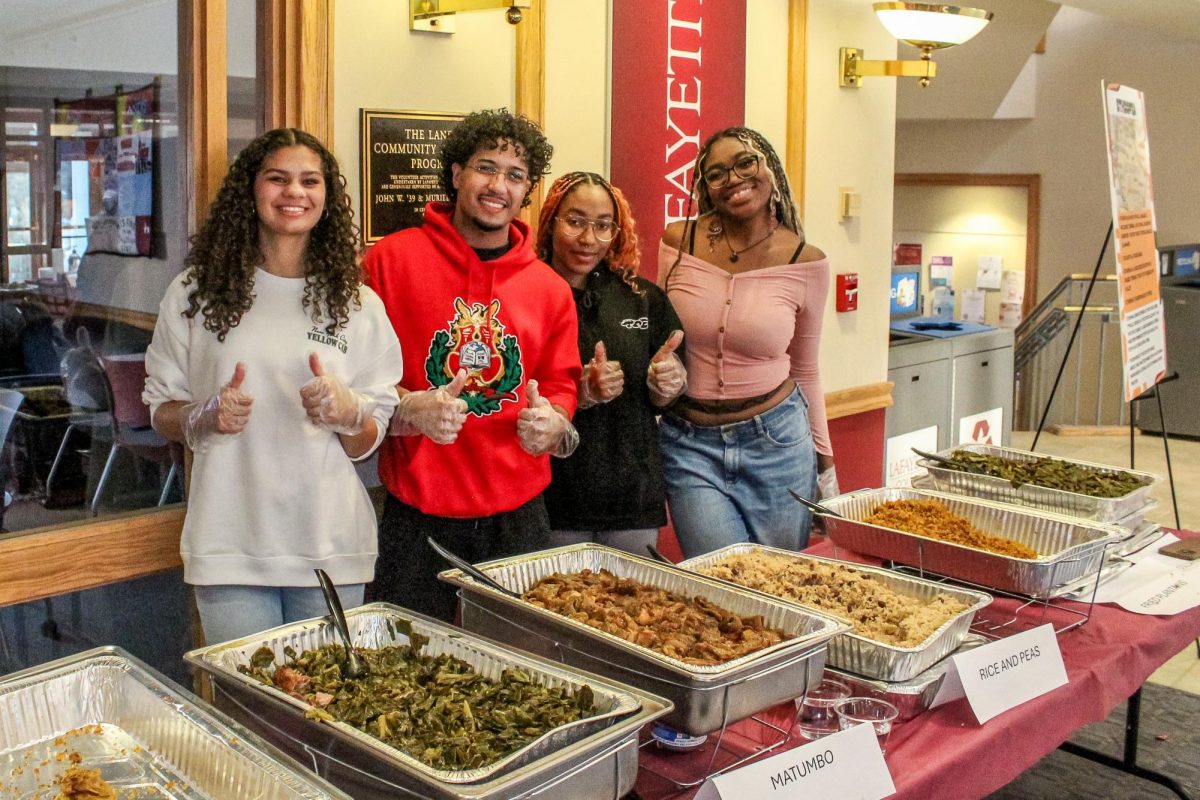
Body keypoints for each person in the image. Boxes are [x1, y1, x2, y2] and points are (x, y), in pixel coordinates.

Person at [143, 128, 402, 645]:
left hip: (331, 543)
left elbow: (367, 439)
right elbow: (159, 408)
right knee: (246, 707)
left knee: (329, 708)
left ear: (327, 196)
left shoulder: (356, 303)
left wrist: (348, 412)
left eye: (310, 181)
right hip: (229, 543)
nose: (294, 193)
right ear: (251, 189)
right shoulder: (195, 293)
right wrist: (204, 415)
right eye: (277, 179)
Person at [363, 109, 581, 621]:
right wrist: (410, 408)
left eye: (514, 175)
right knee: (405, 671)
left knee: (521, 673)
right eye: (486, 167)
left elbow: (560, 382)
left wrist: (553, 421)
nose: (497, 186)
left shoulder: (549, 288)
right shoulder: (387, 263)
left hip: (519, 514)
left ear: (527, 191)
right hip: (417, 513)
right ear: (457, 173)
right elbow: (357, 376)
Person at [659, 126, 837, 558]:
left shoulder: (806, 261)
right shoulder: (678, 241)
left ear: (770, 170)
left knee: (775, 588)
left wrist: (825, 462)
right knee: (715, 583)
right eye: (716, 173)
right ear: (705, 188)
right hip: (689, 443)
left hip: (777, 444)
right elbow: (659, 335)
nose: (734, 179)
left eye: (745, 163)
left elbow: (806, 369)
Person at [535, 172, 687, 555]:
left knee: (635, 611)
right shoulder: (527, 293)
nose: (589, 239)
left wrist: (668, 383)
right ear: (551, 221)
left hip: (632, 497)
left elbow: (675, 382)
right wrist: (580, 394)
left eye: (603, 226)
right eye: (575, 221)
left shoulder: (641, 298)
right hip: (554, 498)